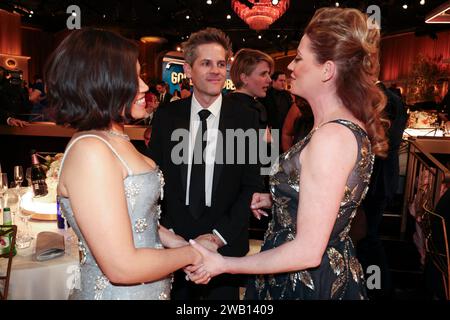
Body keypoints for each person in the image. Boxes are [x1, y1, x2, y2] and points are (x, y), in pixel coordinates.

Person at [189, 7, 388, 300]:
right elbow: (330, 197)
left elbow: (307, 251)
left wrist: (224, 264)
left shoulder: (332, 138)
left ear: (327, 70)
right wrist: (278, 197)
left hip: (307, 283)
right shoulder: (332, 128)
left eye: (299, 58)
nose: (291, 68)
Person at [46, 28, 210, 300]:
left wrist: (180, 243)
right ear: (102, 82)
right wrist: (192, 254)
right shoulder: (91, 150)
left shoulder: (111, 138)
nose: (145, 86)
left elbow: (134, 218)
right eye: (133, 77)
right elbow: (122, 267)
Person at [147, 27, 263, 300]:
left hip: (225, 246)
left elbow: (251, 185)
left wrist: (215, 238)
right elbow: (154, 180)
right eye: (206, 63)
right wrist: (172, 235)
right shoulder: (167, 116)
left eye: (221, 64)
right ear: (188, 69)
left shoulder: (246, 118)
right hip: (174, 249)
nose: (215, 71)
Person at [356, 80, 407, 300]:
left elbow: (387, 141)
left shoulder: (385, 100)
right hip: (380, 179)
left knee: (369, 238)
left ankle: (377, 288)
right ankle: (376, 287)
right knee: (368, 237)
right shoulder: (388, 98)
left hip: (378, 180)